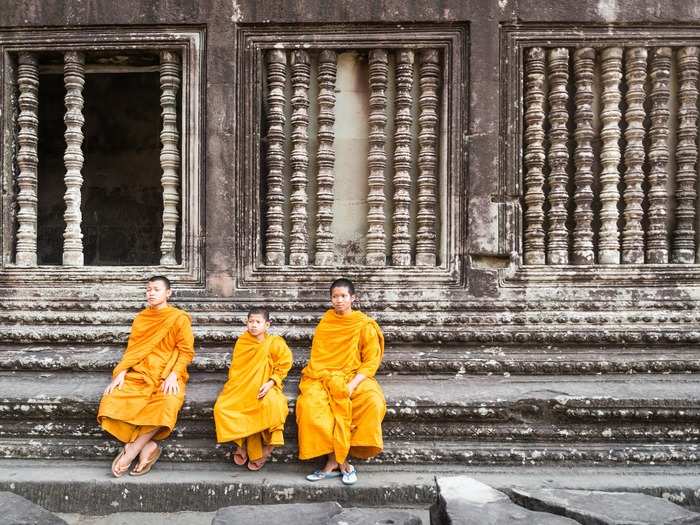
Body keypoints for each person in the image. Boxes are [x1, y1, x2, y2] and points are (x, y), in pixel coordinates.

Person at [97, 275, 194, 477]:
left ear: (168, 293)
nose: (151, 293)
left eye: (156, 289)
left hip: (167, 372)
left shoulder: (178, 318)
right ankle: (148, 447)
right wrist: (121, 372)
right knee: (110, 400)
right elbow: (133, 350)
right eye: (148, 289)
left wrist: (174, 375)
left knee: (167, 403)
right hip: (141, 371)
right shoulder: (141, 318)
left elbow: (186, 351)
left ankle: (131, 450)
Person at [296, 277, 386, 485]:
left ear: (353, 298)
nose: (339, 300)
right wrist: (330, 381)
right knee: (309, 406)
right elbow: (318, 358)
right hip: (322, 376)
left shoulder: (364, 324)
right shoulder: (326, 322)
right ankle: (340, 462)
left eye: (343, 296)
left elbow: (371, 361)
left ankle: (334, 463)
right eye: (335, 296)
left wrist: (352, 385)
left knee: (372, 401)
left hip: (355, 376)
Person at [213, 307, 292, 470]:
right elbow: (236, 370)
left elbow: (284, 364)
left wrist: (271, 382)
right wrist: (238, 387)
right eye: (251, 322)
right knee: (221, 408)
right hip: (242, 386)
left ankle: (267, 449)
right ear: (246, 323)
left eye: (258, 322)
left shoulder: (274, 343)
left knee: (273, 405)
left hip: (266, 385)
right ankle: (241, 443)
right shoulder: (243, 342)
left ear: (267, 325)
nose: (254, 325)